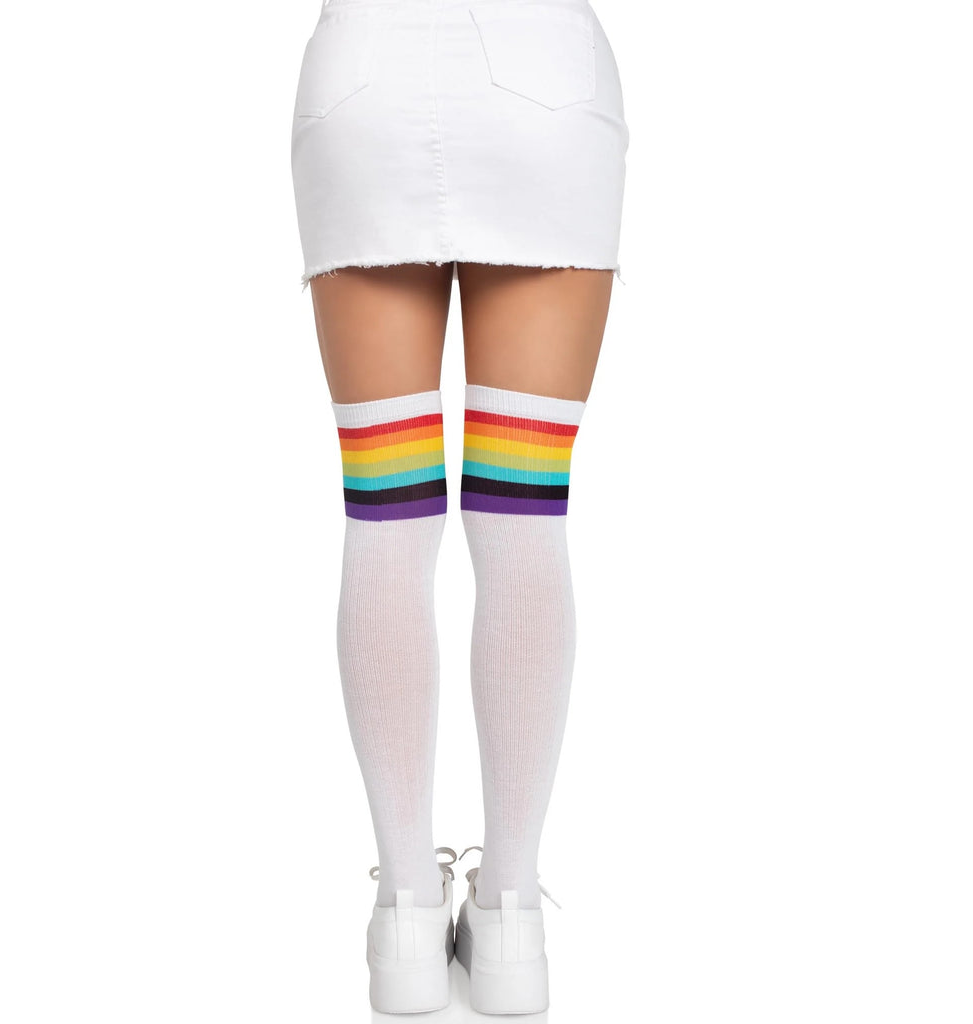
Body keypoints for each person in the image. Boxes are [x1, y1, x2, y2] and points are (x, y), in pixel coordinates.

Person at [290, 0, 628, 1013]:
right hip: (543, 85)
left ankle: (404, 908)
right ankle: (510, 909)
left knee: (385, 513)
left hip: (363, 80)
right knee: (522, 515)